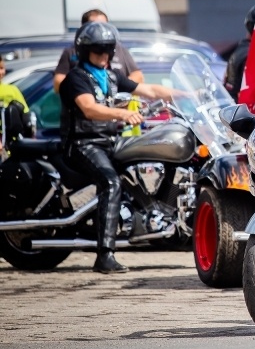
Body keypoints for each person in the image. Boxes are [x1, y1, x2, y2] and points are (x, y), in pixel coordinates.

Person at [59, 21, 177, 274]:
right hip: (83, 143)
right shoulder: (75, 78)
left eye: (108, 51)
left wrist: (187, 95)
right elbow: (89, 108)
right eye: (98, 51)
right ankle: (105, 255)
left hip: (111, 141)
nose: (104, 56)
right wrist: (121, 115)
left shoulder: (111, 77)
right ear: (84, 51)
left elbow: (149, 89)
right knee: (111, 183)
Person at [53, 9, 142, 93]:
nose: (101, 29)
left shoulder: (119, 49)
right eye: (95, 26)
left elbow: (138, 76)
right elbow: (58, 83)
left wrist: (116, 89)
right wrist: (84, 90)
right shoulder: (71, 52)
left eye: (104, 25)